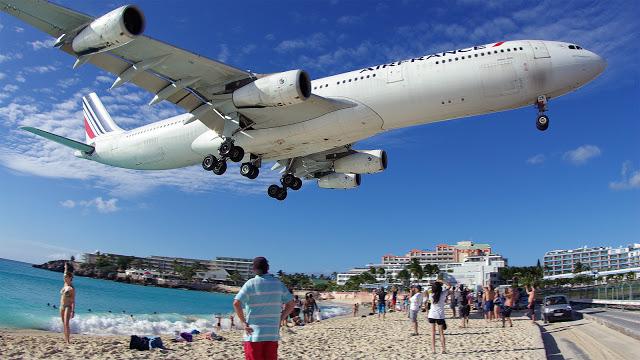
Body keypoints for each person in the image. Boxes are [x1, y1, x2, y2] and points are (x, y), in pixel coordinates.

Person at [233, 257, 295, 360]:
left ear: (254, 269)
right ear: (268, 268)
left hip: (253, 333)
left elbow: (236, 303)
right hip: (272, 333)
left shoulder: (250, 283)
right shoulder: (278, 284)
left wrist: (243, 322)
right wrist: (281, 318)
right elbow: (291, 304)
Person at [428, 280, 449, 354]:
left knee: (433, 333)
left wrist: (435, 284)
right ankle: (443, 349)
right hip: (440, 315)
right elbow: (449, 286)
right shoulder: (443, 294)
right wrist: (441, 281)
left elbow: (432, 289)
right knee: (441, 333)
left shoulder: (431, 295)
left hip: (431, 315)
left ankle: (433, 350)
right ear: (440, 288)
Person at [60, 262, 75, 344]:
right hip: (61, 306)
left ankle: (68, 341)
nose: (64, 278)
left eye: (66, 277)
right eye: (64, 277)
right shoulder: (65, 284)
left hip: (68, 307)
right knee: (63, 324)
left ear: (70, 278)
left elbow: (73, 300)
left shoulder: (72, 288)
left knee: (66, 324)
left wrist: (73, 311)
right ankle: (66, 338)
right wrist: (65, 267)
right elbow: (64, 273)